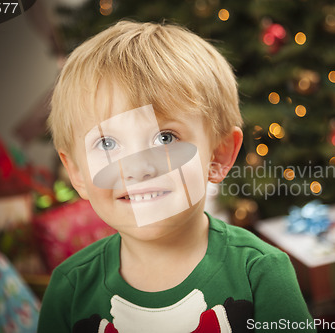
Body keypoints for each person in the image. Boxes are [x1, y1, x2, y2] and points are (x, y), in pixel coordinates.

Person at [38, 20, 315, 333]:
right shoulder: (69, 289)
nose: (138, 168)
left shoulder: (261, 272)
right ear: (76, 171)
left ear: (219, 155)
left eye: (165, 138)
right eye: (107, 143)